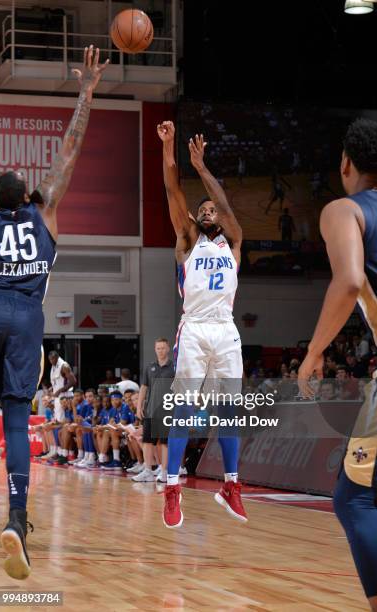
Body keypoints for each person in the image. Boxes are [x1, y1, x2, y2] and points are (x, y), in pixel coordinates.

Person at [0, 45, 108, 580]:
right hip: (27, 316)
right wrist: (86, 92)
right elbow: (68, 153)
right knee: (17, 421)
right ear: (28, 197)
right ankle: (17, 517)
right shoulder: (47, 213)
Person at [298, 118, 377, 611]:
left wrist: (314, 353)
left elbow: (348, 279)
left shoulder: (344, 209)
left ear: (345, 163)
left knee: (355, 498)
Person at [157, 121, 247, 528]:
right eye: (205, 210)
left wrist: (204, 166)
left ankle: (231, 485)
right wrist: (170, 147)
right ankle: (172, 487)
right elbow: (173, 190)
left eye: (215, 211)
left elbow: (225, 206)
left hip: (225, 328)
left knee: (230, 410)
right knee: (185, 409)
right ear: (196, 217)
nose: (212, 213)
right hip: (194, 327)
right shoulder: (187, 240)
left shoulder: (235, 241)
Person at [131, 338, 173, 483]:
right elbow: (144, 387)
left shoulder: (174, 367)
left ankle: (164, 471)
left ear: (168, 349)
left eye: (163, 348)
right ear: (155, 350)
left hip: (167, 410)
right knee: (147, 441)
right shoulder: (150, 367)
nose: (161, 350)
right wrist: (139, 406)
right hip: (150, 410)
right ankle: (148, 471)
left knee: (164, 442)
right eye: (158, 348)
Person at [48, 351, 77, 423]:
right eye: (50, 359)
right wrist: (52, 388)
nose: (51, 361)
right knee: (57, 420)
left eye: (53, 359)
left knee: (63, 421)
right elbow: (58, 382)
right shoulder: (53, 366)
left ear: (57, 357)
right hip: (57, 396)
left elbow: (73, 381)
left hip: (65, 396)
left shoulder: (64, 366)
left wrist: (60, 390)